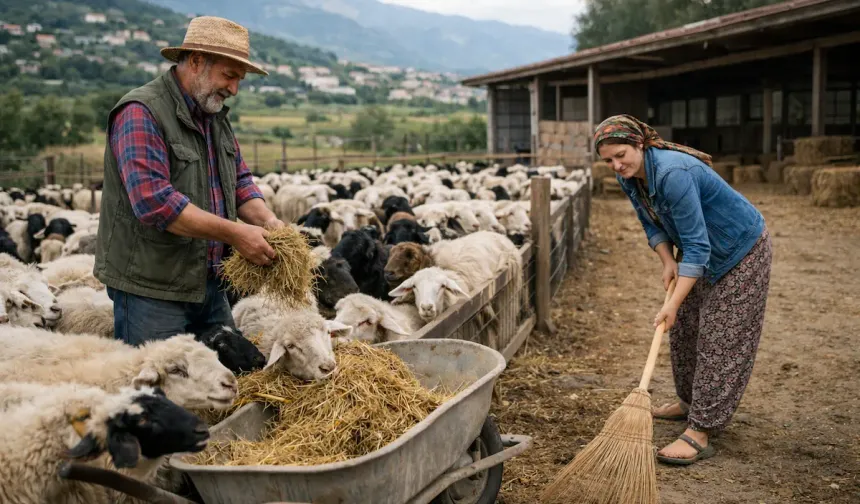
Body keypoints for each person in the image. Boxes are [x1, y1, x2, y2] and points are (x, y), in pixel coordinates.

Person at [594, 114, 773, 465]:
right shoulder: (629, 176)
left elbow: (698, 247)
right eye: (608, 160)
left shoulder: (674, 173)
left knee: (719, 338)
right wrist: (666, 261)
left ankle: (701, 430)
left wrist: (672, 303)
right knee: (686, 331)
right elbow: (651, 225)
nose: (616, 165)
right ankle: (689, 402)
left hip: (739, 250)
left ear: (639, 144)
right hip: (696, 251)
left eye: (621, 155)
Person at [94, 16, 285, 345]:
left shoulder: (214, 118)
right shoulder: (142, 112)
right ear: (196, 61)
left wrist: (269, 221)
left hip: (210, 285)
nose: (234, 89)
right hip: (152, 291)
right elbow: (155, 203)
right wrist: (237, 233)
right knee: (161, 388)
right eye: (229, 76)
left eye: (239, 80)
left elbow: (239, 182)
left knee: (226, 385)